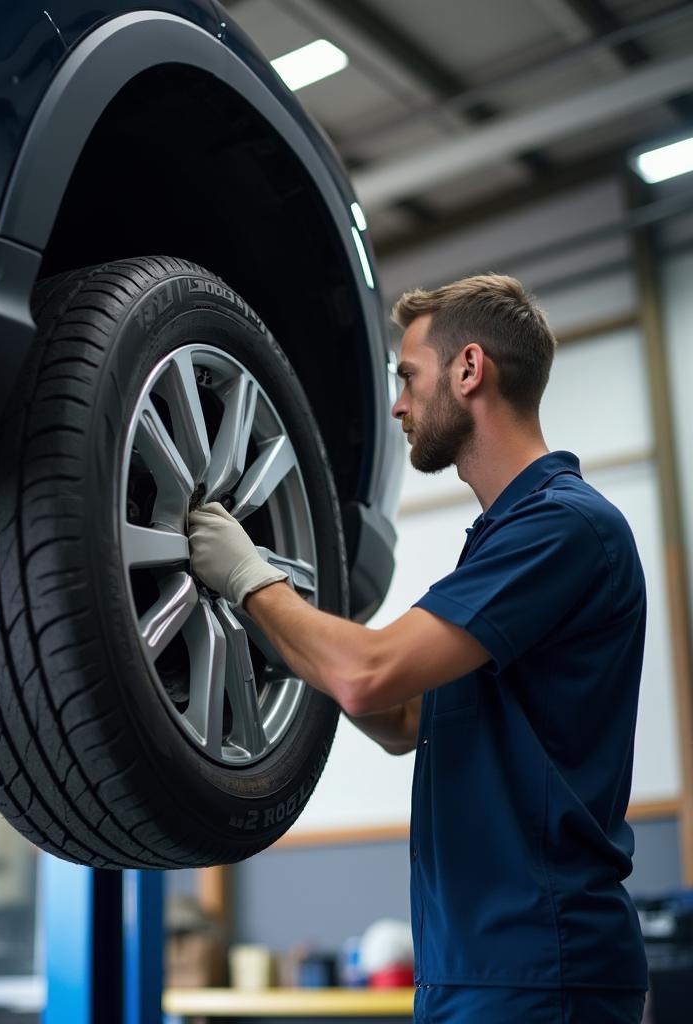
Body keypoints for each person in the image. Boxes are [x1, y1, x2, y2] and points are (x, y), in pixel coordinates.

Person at [187, 274, 648, 1024]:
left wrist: (249, 581)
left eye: (408, 377)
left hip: (538, 970)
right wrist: (285, 635)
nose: (399, 404)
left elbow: (368, 677)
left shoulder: (563, 529)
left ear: (469, 371)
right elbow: (401, 720)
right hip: (474, 969)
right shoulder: (502, 544)